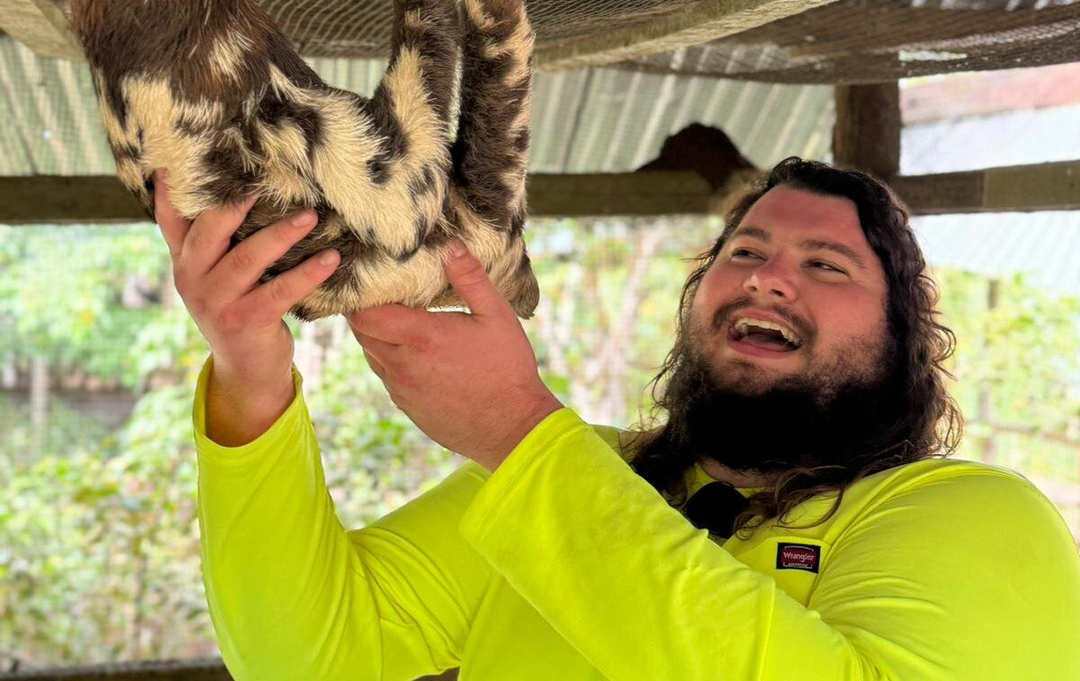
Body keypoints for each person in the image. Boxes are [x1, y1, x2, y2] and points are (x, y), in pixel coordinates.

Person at [154, 158, 1080, 680]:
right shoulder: (579, 473)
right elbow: (308, 657)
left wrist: (521, 433)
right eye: (744, 248)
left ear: (901, 343)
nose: (765, 274)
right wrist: (251, 375)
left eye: (827, 265)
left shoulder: (977, 516)